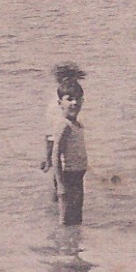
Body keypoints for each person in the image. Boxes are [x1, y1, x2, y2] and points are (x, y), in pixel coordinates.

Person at [45, 76, 89, 226]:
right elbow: (56, 154)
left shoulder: (77, 124)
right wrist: (61, 184)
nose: (74, 103)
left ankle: (73, 244)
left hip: (77, 176)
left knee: (77, 217)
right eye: (69, 99)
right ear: (60, 103)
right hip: (67, 176)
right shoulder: (64, 125)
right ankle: (64, 244)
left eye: (78, 99)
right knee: (65, 219)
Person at [40, 62, 85, 199]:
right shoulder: (57, 106)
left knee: (62, 189)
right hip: (61, 156)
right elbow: (51, 136)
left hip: (68, 156)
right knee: (60, 188)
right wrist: (47, 158)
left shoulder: (68, 101)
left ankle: (55, 212)